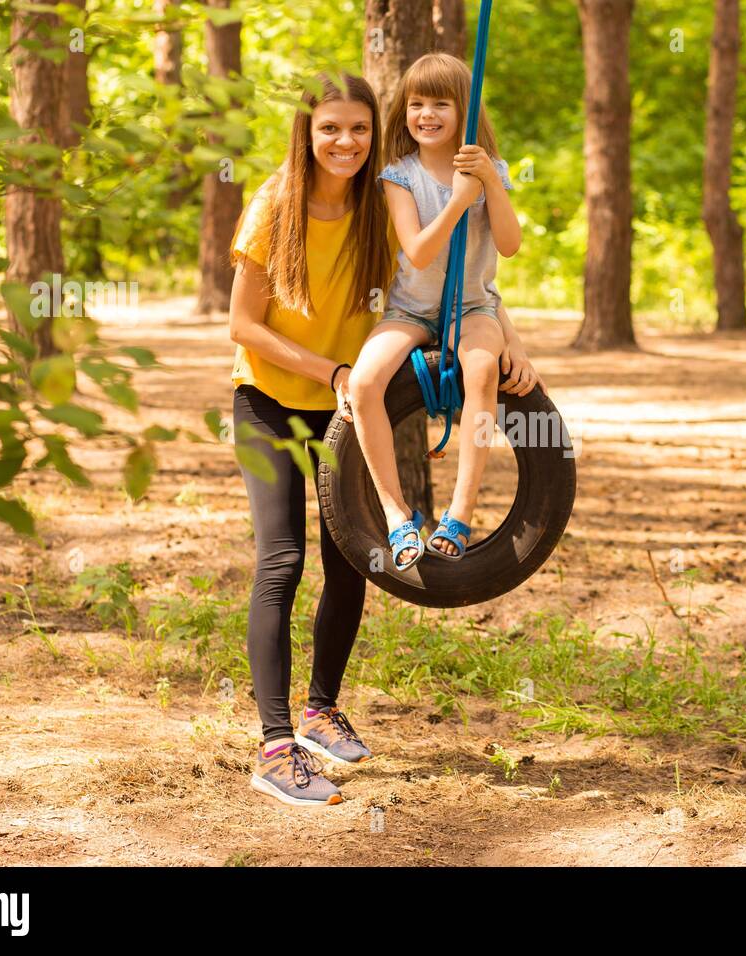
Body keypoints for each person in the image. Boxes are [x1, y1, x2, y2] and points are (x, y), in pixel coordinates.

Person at [227, 72, 394, 807]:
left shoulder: (380, 207)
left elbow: (438, 281)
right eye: (331, 128)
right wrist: (330, 369)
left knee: (350, 554)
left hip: (340, 412)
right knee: (282, 559)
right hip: (267, 401)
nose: (345, 142)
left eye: (358, 128)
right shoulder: (273, 204)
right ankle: (272, 747)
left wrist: (497, 339)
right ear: (308, 132)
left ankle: (321, 710)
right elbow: (243, 325)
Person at [345, 52, 539, 570]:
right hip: (410, 310)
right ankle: (394, 514)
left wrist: (490, 185)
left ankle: (459, 512)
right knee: (363, 384)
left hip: (472, 307)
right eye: (416, 103)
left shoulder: (489, 169)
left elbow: (511, 244)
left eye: (441, 104)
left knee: (480, 369)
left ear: (465, 113)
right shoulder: (398, 175)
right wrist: (456, 202)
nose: (426, 114)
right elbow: (419, 252)